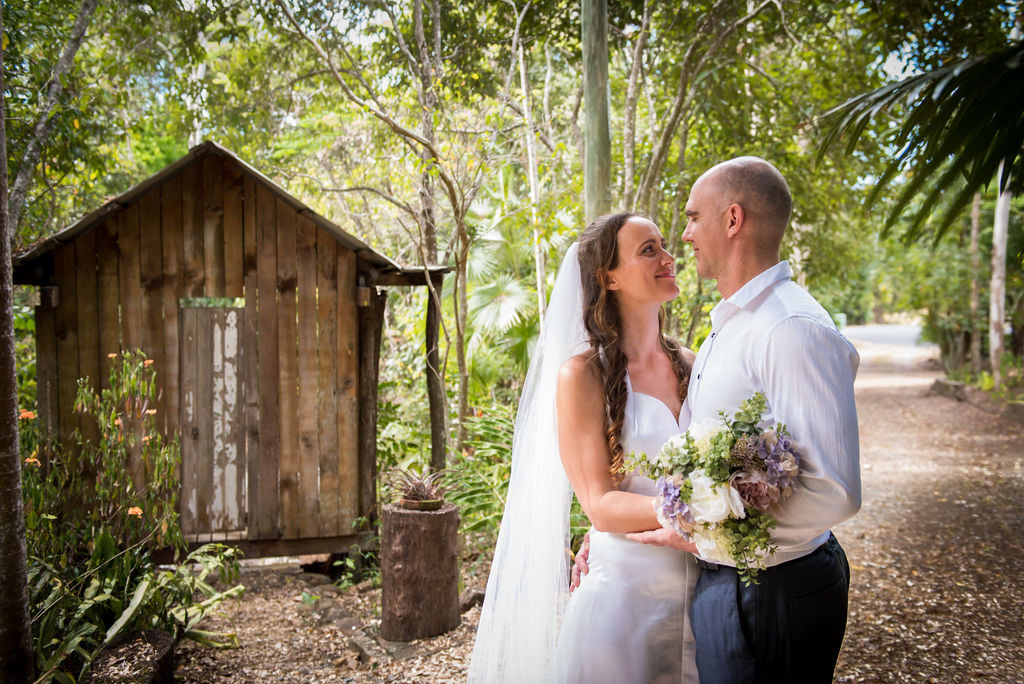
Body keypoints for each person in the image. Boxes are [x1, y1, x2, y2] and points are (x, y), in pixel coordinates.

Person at [627, 156, 862, 683]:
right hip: (727, 582)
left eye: (692, 218)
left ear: (732, 220)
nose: (683, 235)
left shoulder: (791, 328)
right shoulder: (730, 324)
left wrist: (698, 533)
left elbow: (835, 490)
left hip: (777, 592)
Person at [467, 213, 700, 683]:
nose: (668, 257)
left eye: (663, 245)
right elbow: (601, 506)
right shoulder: (581, 376)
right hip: (627, 602)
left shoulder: (694, 362)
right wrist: (704, 510)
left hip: (704, 594)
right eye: (648, 250)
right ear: (607, 277)